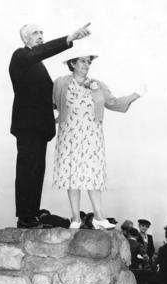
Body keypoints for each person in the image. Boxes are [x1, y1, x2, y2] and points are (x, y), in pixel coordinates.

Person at [9, 23, 91, 229]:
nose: (40, 36)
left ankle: (32, 215)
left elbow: (47, 94)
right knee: (28, 169)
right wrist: (68, 38)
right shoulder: (20, 55)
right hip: (27, 125)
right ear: (25, 39)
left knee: (37, 171)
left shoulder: (38, 65)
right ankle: (25, 217)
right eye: (35, 33)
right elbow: (39, 53)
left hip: (40, 126)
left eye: (42, 32)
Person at [53, 51, 141, 229]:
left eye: (88, 62)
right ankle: (76, 218)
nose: (86, 65)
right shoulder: (61, 82)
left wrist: (135, 94)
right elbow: (52, 102)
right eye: (82, 61)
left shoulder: (98, 84)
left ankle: (99, 217)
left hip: (92, 136)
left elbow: (113, 102)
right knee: (72, 176)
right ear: (72, 63)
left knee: (93, 175)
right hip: (69, 135)